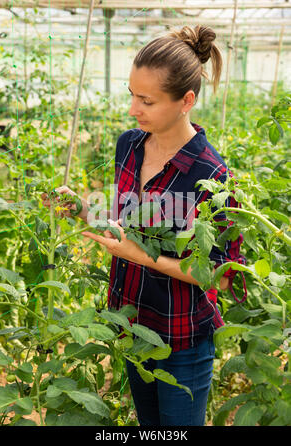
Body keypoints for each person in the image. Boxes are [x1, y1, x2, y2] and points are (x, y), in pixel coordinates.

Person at [42, 25, 246, 426]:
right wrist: (82, 210)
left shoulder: (214, 177)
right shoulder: (130, 145)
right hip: (131, 323)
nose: (133, 108)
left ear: (186, 101)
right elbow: (125, 224)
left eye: (147, 100)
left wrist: (141, 257)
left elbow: (222, 278)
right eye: (131, 94)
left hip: (181, 337)